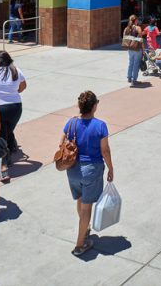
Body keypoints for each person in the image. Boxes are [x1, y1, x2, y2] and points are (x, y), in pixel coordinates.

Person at [61, 91, 113, 256]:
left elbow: (61, 144)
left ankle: (85, 228)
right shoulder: (100, 125)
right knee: (86, 208)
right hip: (91, 170)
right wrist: (111, 168)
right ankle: (79, 244)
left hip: (73, 169)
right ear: (94, 106)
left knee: (81, 199)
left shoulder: (71, 123)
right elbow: (105, 150)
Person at [0, 51, 27, 182]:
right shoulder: (16, 71)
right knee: (8, 131)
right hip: (15, 107)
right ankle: (12, 146)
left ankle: (3, 166)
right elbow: (23, 86)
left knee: (1, 136)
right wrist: (13, 92)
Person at [123, 15, 144, 86]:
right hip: (137, 48)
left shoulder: (126, 28)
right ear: (136, 20)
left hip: (130, 48)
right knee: (136, 64)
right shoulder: (138, 28)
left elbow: (125, 38)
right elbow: (141, 40)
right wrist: (143, 49)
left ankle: (129, 78)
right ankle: (134, 80)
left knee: (131, 62)